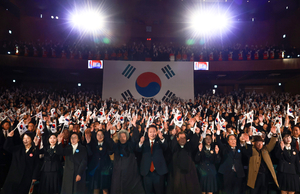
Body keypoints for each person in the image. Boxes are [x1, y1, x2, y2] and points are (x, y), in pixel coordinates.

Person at [241, 126, 279, 194]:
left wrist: (274, 135)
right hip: (255, 177)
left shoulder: (265, 149)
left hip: (265, 176)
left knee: (264, 191)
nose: (259, 144)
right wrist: (247, 141)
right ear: (254, 143)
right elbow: (247, 151)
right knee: (254, 191)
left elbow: (271, 144)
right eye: (257, 142)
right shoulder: (252, 150)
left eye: (261, 142)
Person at [109, 124, 145, 194]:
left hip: (130, 175)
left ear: (127, 137)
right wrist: (107, 132)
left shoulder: (130, 145)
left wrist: (135, 126)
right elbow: (109, 144)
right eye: (121, 136)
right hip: (118, 175)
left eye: (124, 136)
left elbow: (135, 139)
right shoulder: (116, 146)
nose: (122, 138)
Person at [137, 125, 168, 194]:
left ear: (157, 132)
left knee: (160, 191)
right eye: (150, 132)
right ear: (147, 133)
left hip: (158, 172)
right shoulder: (144, 142)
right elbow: (138, 150)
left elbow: (165, 147)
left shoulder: (160, 141)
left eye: (154, 131)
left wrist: (162, 138)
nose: (152, 134)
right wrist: (140, 143)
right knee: (148, 192)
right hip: (147, 172)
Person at [216, 125, 245, 194]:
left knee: (237, 191)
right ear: (228, 141)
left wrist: (242, 128)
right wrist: (218, 131)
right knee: (227, 191)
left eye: (234, 139)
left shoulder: (239, 148)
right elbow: (218, 141)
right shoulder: (225, 148)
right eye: (231, 139)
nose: (233, 141)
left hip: (238, 173)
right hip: (227, 173)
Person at [85, 129, 112, 194]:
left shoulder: (107, 144)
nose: (100, 136)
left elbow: (111, 151)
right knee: (96, 188)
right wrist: (88, 144)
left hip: (105, 169)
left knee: (105, 188)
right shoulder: (92, 144)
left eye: (101, 135)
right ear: (96, 136)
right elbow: (89, 154)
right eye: (98, 135)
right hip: (95, 169)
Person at [38, 128, 63, 194]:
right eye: (51, 138)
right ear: (48, 139)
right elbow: (37, 152)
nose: (52, 140)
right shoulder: (45, 148)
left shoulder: (59, 147)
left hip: (55, 171)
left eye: (54, 138)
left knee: (54, 188)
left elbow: (60, 153)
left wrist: (60, 142)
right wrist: (36, 143)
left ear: (57, 139)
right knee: (45, 188)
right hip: (45, 171)